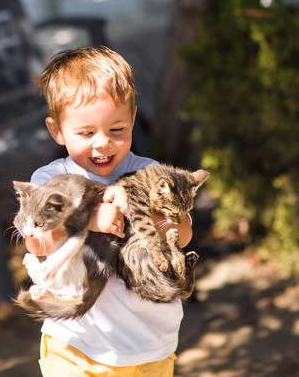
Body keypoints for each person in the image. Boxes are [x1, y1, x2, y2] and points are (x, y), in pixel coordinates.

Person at [26, 45, 194, 376]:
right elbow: (37, 242)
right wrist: (86, 220)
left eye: (117, 130)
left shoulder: (151, 173)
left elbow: (184, 235)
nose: (102, 143)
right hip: (75, 342)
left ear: (132, 119)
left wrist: (147, 212)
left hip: (149, 343)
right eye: (86, 133)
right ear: (57, 130)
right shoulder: (50, 181)